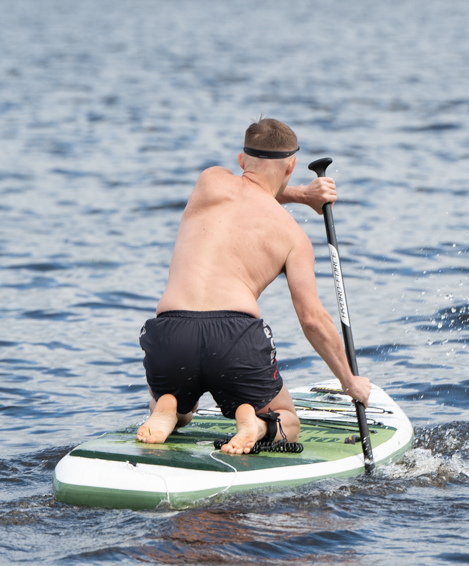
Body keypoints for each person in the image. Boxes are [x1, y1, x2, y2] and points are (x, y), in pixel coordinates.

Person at [135, 118, 372, 455]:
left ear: (241, 160)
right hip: (233, 340)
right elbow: (312, 320)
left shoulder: (209, 181)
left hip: (170, 332)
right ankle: (257, 422)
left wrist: (302, 196)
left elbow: (250, 192)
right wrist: (350, 383)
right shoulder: (294, 237)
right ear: (291, 167)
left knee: (172, 391)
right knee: (287, 421)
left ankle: (169, 410)